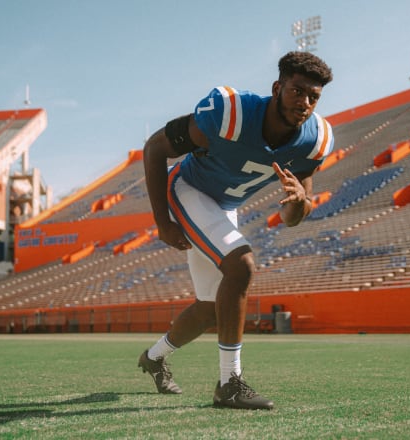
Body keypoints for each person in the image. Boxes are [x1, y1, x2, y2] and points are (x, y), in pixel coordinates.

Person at [138, 51, 333, 410]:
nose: (305, 103)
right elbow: (155, 148)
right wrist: (163, 222)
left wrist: (299, 201)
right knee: (241, 265)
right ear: (277, 87)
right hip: (188, 189)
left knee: (212, 308)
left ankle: (154, 357)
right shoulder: (231, 112)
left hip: (224, 206)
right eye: (297, 91)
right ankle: (229, 384)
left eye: (313, 97)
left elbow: (293, 216)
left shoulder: (313, 139)